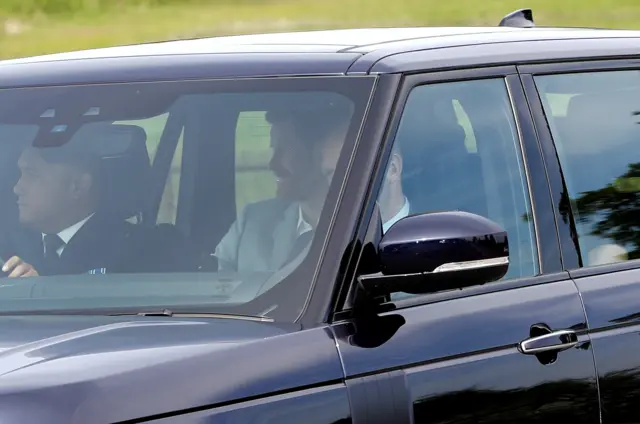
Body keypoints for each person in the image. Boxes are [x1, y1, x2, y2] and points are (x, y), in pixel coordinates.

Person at [214, 102, 410, 273]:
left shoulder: (431, 239)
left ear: (392, 169)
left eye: (346, 175)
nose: (334, 186)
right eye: (329, 174)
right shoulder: (252, 223)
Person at [0, 125, 191, 278]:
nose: (17, 188)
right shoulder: (7, 246)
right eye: (20, 174)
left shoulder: (144, 253)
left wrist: (39, 291)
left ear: (77, 186)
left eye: (32, 175)